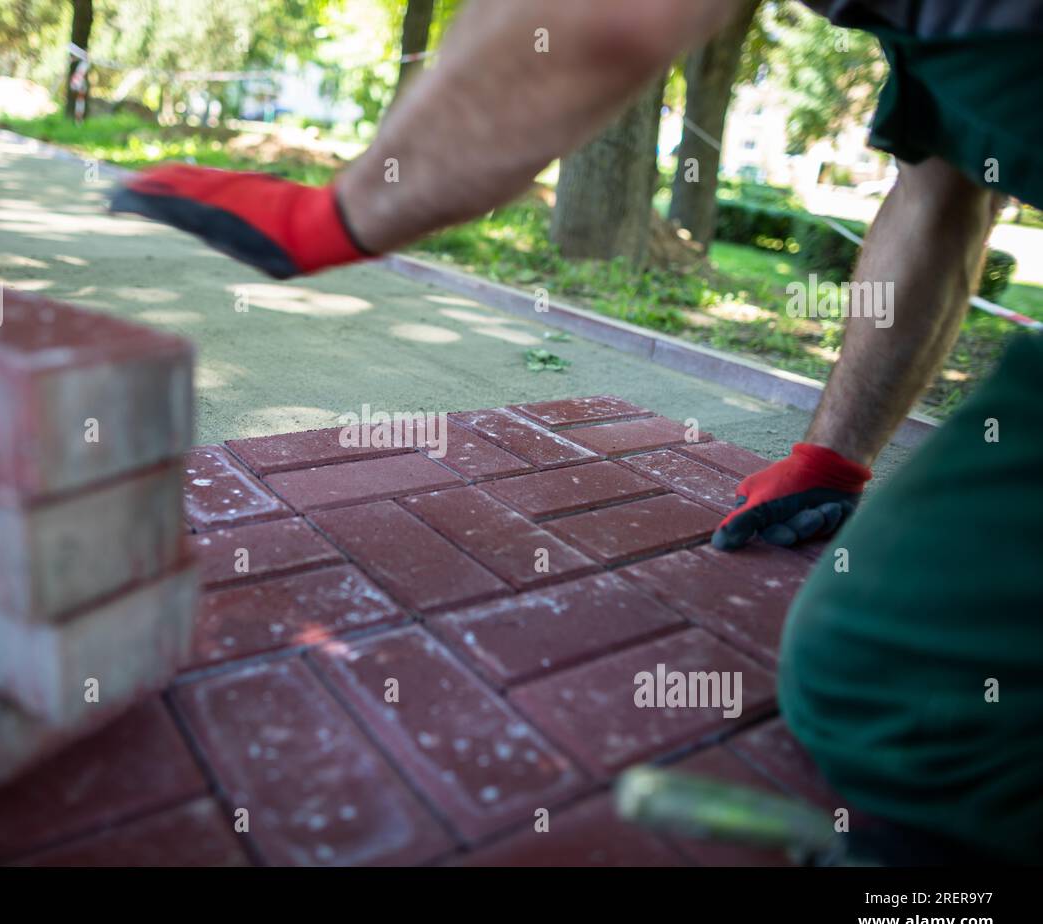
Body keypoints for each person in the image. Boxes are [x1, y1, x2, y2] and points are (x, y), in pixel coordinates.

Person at [111, 0, 1043, 863]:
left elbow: (597, 21)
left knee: (894, 687)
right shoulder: (951, 41)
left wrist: (334, 216)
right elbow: (946, 192)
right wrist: (833, 456)